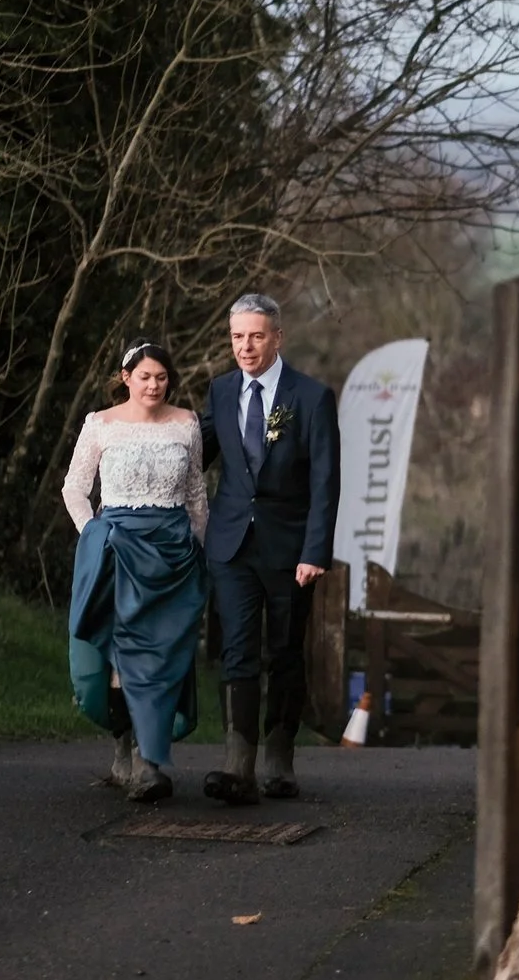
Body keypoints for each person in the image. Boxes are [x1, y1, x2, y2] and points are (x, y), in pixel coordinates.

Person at [199, 292, 339, 801]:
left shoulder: (311, 397)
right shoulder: (219, 392)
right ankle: (238, 763)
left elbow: (326, 482)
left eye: (256, 335)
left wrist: (315, 550)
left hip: (289, 549)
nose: (246, 346)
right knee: (237, 650)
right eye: (237, 336)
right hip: (232, 545)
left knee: (283, 651)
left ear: (277, 337)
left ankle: (279, 757)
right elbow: (193, 452)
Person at [62, 339, 208, 804]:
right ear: (126, 378)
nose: (154, 385)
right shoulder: (99, 424)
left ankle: (152, 763)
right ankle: (123, 746)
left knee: (162, 656)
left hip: (172, 552)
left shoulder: (186, 424)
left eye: (162, 378)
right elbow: (74, 489)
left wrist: (194, 546)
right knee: (121, 655)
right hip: (117, 549)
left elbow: (197, 496)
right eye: (145, 377)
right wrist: (94, 537)